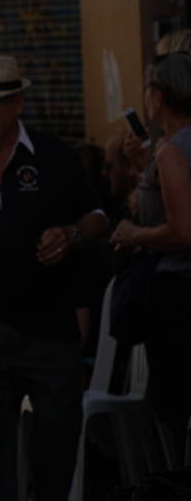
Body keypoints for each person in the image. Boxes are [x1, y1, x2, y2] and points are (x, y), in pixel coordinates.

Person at [0, 55, 107, 501]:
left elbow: (96, 216)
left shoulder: (53, 155)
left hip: (50, 329)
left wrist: (71, 234)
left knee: (55, 444)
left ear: (16, 104)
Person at [109, 52, 191, 466]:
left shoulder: (172, 151)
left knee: (172, 407)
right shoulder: (165, 150)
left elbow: (183, 231)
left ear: (157, 97)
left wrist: (134, 233)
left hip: (177, 296)